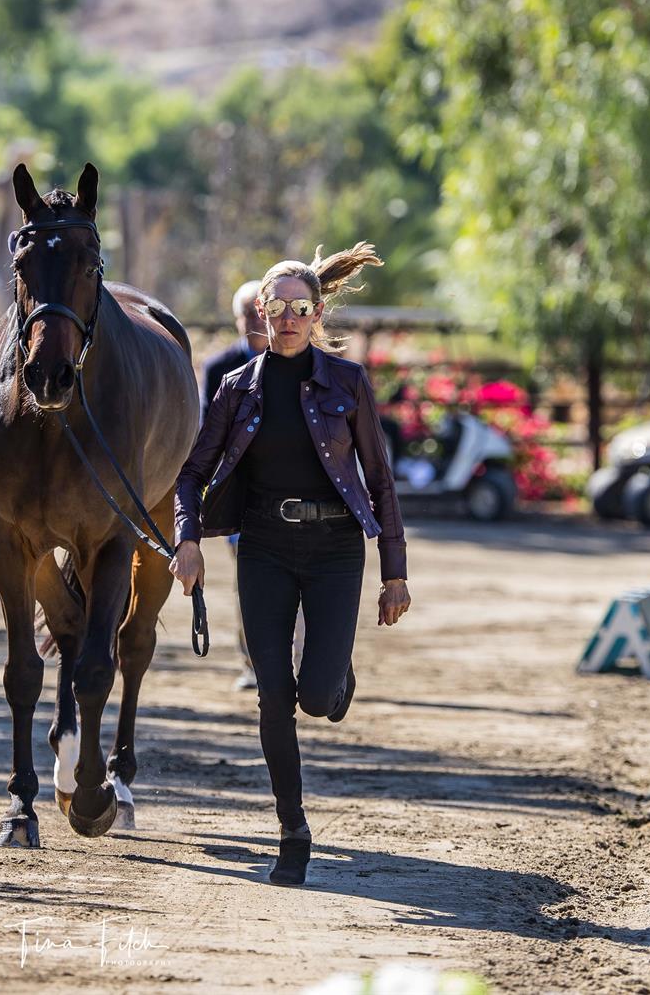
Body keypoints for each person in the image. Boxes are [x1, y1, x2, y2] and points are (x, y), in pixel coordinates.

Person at [171, 243, 411, 887]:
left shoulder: (348, 383)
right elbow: (191, 474)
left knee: (315, 695)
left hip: (335, 552)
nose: (286, 318)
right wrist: (187, 540)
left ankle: (335, 677)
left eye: (299, 308)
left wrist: (395, 573)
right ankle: (292, 831)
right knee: (273, 698)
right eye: (274, 307)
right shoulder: (234, 388)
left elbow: (381, 482)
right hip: (264, 551)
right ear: (260, 312)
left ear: (317, 312)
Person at [201, 281, 275, 690]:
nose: (252, 322)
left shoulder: (291, 361)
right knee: (249, 578)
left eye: (257, 313)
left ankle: (289, 657)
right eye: (245, 315)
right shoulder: (220, 368)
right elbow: (206, 429)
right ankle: (253, 662)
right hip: (241, 489)